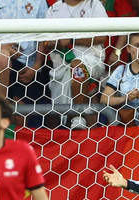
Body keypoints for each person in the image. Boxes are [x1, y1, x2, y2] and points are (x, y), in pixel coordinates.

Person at [45, 0, 108, 129]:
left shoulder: (94, 5)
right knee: (59, 108)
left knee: (78, 67)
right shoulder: (54, 10)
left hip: (91, 60)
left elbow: (102, 37)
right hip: (61, 65)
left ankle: (77, 115)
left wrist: (72, 39)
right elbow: (46, 42)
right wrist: (56, 42)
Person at [0, 0, 50, 104]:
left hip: (27, 67)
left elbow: (43, 34)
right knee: (1, 55)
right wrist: (2, 47)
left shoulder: (39, 2)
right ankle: (1, 111)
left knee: (24, 115)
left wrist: (36, 66)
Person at [100, 33, 139, 126]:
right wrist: (126, 98)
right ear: (128, 49)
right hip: (127, 124)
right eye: (137, 46)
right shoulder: (121, 70)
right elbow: (104, 99)